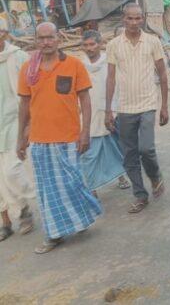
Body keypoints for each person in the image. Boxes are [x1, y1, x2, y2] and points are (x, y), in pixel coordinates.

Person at [17, 22, 102, 254]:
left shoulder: (74, 65)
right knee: (48, 192)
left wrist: (85, 132)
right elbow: (24, 104)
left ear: (59, 39)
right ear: (36, 40)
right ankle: (54, 235)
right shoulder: (28, 69)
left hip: (68, 138)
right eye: (41, 38)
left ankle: (81, 218)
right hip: (40, 140)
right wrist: (20, 138)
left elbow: (85, 99)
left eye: (50, 37)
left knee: (72, 184)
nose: (46, 42)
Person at [105, 4, 169, 214]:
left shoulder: (152, 41)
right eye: (130, 19)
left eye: (138, 18)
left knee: (146, 148)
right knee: (129, 154)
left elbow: (162, 74)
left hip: (148, 104)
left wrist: (164, 105)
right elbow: (111, 77)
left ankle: (155, 176)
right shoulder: (114, 45)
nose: (134, 22)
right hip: (124, 107)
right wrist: (108, 109)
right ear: (123, 19)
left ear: (143, 19)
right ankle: (140, 195)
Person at [80, 31, 129, 194]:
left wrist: (113, 110)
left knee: (114, 147)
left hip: (110, 112)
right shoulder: (80, 66)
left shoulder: (110, 63)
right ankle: (92, 187)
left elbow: (119, 86)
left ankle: (121, 176)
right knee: (89, 153)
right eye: (86, 45)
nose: (89, 48)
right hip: (88, 115)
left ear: (100, 44)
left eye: (92, 44)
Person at [0, 18, 35, 242]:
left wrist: (30, 124)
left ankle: (36, 197)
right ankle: (10, 220)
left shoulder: (18, 56)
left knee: (12, 170)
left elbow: (33, 90)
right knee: (0, 180)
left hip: (15, 120)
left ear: (4, 33)